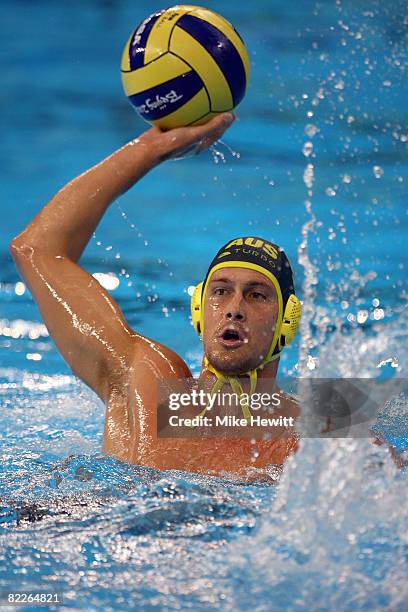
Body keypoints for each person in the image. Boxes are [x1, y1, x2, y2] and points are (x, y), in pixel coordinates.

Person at [10, 113, 301, 478]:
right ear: (198, 308)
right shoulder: (146, 381)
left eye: (257, 296)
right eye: (221, 291)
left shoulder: (308, 438)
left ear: (287, 321)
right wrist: (152, 148)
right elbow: (36, 248)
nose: (234, 309)